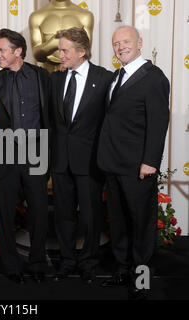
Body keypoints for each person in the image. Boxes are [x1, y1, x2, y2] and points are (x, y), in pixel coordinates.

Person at [97, 26, 170, 299]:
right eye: (116, 43)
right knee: (118, 223)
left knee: (142, 225)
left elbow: (159, 123)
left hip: (138, 167)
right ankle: (122, 271)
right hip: (113, 164)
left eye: (126, 42)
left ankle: (141, 281)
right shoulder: (117, 75)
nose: (120, 47)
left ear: (140, 43)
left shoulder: (154, 78)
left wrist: (150, 161)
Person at [0, 29, 50, 284]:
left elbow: (50, 114)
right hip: (4, 152)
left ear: (18, 51)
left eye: (2, 50)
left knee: (39, 211)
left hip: (35, 151)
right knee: (4, 211)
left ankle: (38, 262)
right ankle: (11, 265)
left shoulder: (42, 77)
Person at [50, 27, 113, 284]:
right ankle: (66, 260)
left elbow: (111, 121)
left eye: (65, 50)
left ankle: (88, 261)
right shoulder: (56, 79)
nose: (60, 55)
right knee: (63, 214)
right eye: (60, 49)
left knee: (90, 216)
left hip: (90, 160)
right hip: (61, 159)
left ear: (82, 51)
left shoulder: (105, 78)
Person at [29, 0, 94, 73]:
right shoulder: (37, 16)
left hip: (75, 74)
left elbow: (86, 52)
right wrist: (54, 43)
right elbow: (37, 55)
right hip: (48, 74)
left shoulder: (85, 16)